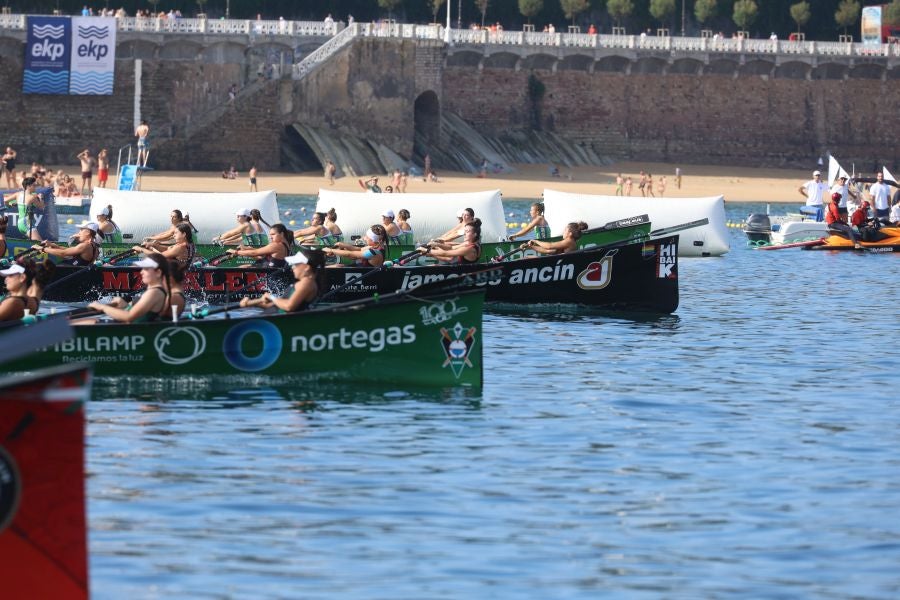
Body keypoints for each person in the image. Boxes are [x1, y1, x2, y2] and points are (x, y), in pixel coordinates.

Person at [86, 254, 171, 323]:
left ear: (158, 272)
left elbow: (129, 317)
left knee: (83, 322)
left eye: (146, 269)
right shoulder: (156, 290)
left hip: (132, 331)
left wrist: (102, 307)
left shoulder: (154, 293)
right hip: (132, 327)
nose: (141, 272)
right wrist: (124, 305)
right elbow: (140, 313)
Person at [240, 249, 325, 313]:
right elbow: (277, 305)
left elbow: (289, 306)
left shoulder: (307, 283)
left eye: (295, 264)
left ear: (307, 267)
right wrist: (250, 303)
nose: (292, 268)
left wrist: (272, 297)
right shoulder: (302, 283)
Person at [228, 223, 293, 268]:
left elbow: (255, 253)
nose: (270, 237)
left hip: (268, 272)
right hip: (269, 268)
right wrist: (246, 248)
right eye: (270, 235)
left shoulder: (277, 245)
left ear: (281, 234)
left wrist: (236, 252)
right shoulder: (286, 245)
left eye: (273, 234)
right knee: (245, 266)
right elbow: (262, 253)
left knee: (243, 267)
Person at [37, 222, 102, 266]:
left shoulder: (85, 246)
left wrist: (43, 249)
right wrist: (54, 246)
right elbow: (70, 250)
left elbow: (63, 253)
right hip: (73, 271)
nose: (79, 232)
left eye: (81, 230)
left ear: (88, 232)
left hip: (69, 272)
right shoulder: (94, 247)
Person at [11, 177, 45, 241]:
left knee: (33, 242)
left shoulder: (17, 194)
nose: (36, 187)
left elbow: (5, 201)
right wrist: (41, 198)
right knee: (40, 243)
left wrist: (11, 204)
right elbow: (41, 207)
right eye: (34, 185)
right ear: (28, 186)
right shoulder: (32, 197)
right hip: (26, 222)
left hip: (20, 223)